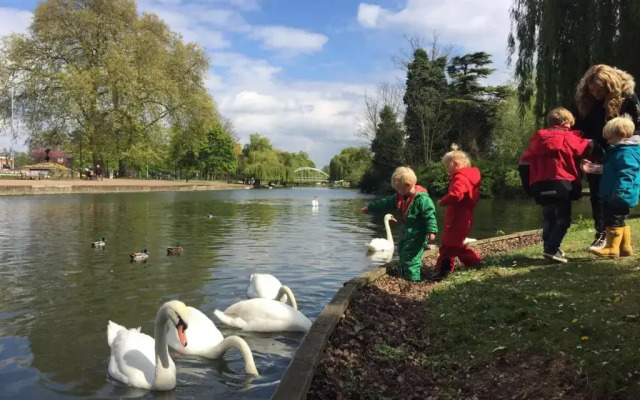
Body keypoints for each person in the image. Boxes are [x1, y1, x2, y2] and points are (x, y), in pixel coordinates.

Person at [574, 64, 640, 251]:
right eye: (591, 89)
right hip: (595, 146)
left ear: (609, 87)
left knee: (617, 193)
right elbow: (580, 126)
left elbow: (637, 125)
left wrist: (629, 147)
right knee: (597, 192)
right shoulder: (585, 99)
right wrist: (585, 147)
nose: (594, 93)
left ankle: (616, 240)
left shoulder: (628, 98)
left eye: (598, 90)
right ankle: (602, 233)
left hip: (623, 148)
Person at [520, 108, 593, 263]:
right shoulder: (568, 136)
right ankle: (552, 249)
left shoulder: (537, 139)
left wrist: (528, 187)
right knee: (563, 219)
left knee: (548, 217)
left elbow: (524, 163)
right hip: (561, 183)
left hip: (539, 184)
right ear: (566, 122)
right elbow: (585, 148)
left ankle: (549, 246)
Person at [361, 167, 438, 281]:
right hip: (406, 230)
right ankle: (404, 273)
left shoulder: (422, 199)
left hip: (418, 233)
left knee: (412, 257)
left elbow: (430, 215)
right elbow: (385, 203)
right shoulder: (400, 197)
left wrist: (432, 230)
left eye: (398, 188)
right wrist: (370, 208)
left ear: (407, 185)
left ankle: (413, 280)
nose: (397, 190)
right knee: (402, 251)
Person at [590, 116, 640, 258]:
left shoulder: (626, 152)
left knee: (613, 219)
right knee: (619, 219)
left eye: (610, 138)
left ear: (622, 136)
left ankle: (612, 248)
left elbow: (628, 172)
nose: (608, 141)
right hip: (616, 192)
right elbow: (612, 169)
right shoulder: (620, 151)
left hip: (619, 193)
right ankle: (625, 247)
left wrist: (620, 191)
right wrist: (596, 168)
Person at [435, 145, 483, 280]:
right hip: (464, 215)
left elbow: (457, 195)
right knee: (453, 244)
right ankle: (473, 262)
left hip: (458, 216)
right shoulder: (468, 177)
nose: (446, 170)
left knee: (448, 245)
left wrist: (443, 201)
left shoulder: (460, 177)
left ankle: (444, 270)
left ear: (455, 164)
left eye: (446, 166)